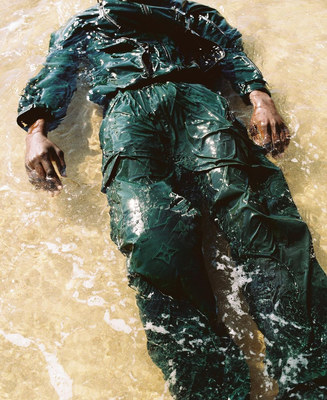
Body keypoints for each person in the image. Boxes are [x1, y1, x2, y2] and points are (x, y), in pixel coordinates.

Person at [18, 0, 327, 398]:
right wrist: (36, 130)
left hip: (198, 101)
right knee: (151, 242)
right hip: (125, 114)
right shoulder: (84, 23)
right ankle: (209, 387)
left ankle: (310, 375)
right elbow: (56, 70)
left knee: (255, 220)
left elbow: (230, 50)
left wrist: (261, 99)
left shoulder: (190, 12)